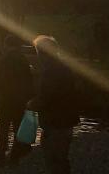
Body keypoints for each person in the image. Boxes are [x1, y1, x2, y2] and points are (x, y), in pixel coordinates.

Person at [29, 35, 79, 174]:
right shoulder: (64, 68)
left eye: (37, 51)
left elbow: (47, 97)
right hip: (66, 121)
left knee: (53, 160)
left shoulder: (50, 71)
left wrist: (32, 104)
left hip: (55, 123)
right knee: (62, 159)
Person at [0, 35, 35, 165]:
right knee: (18, 128)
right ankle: (16, 156)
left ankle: (0, 156)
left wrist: (1, 93)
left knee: (3, 129)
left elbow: (0, 81)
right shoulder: (23, 60)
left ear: (7, 45)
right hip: (20, 100)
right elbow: (29, 81)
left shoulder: (5, 60)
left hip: (7, 100)